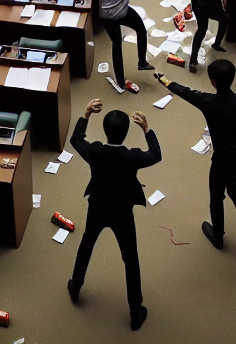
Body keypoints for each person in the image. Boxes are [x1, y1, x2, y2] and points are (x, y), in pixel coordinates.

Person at [155, 59, 236, 252]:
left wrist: (167, 82)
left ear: (213, 82)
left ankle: (218, 236)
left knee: (216, 196)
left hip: (222, 161)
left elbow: (187, 93)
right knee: (235, 190)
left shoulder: (208, 102)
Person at [67, 98, 161, 331]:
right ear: (127, 133)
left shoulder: (96, 151)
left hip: (97, 207)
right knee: (131, 259)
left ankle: (76, 286)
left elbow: (76, 139)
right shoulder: (132, 157)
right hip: (122, 212)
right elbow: (156, 154)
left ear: (105, 131)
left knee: (87, 244)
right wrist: (147, 129)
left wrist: (87, 114)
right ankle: (135, 311)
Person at [183, 0, 236, 72]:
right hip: (211, 6)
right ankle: (216, 44)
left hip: (196, 2)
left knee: (201, 30)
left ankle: (193, 60)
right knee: (225, 19)